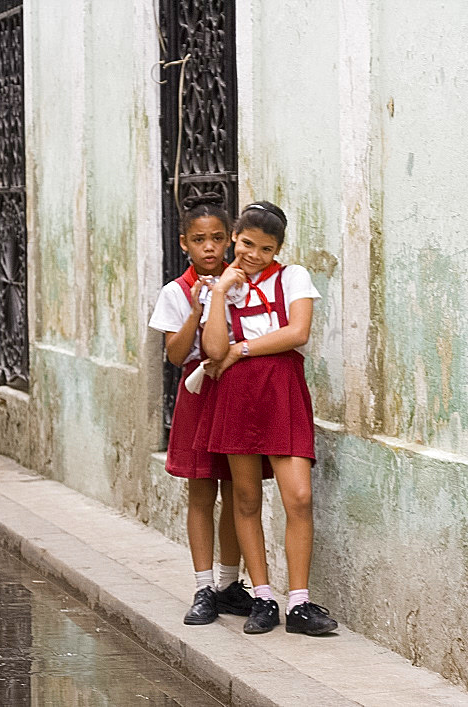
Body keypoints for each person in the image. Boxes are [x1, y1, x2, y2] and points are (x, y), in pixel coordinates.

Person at [197, 201, 338, 636]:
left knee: (299, 496)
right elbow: (214, 350)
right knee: (245, 499)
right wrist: (220, 291)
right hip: (237, 395)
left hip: (281, 387)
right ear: (235, 239)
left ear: (278, 247)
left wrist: (243, 349)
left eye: (265, 247)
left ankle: (299, 602)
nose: (254, 254)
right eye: (246, 244)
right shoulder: (221, 287)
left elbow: (298, 332)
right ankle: (262, 596)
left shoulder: (292, 277)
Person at [148, 192, 255, 625]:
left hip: (234, 389)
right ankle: (203, 587)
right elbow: (174, 355)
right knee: (201, 490)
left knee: (236, 490)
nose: (208, 247)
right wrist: (196, 310)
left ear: (229, 240)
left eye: (215, 238)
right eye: (198, 239)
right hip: (198, 393)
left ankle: (231, 585)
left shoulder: (243, 284)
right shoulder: (175, 292)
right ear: (183, 244)